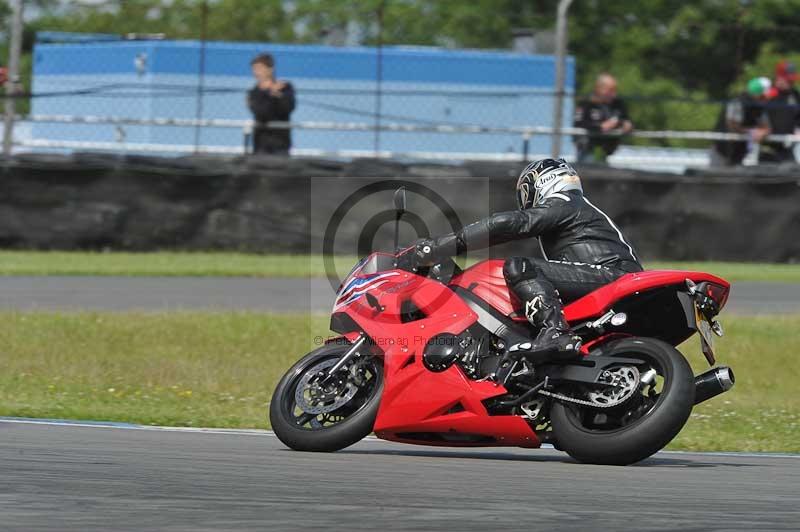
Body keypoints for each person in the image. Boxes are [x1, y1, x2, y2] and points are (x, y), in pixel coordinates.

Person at [414, 158, 643, 362]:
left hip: (613, 276)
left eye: (526, 189)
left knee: (522, 266)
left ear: (543, 181)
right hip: (611, 277)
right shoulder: (575, 207)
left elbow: (511, 224)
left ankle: (554, 332)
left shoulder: (566, 201)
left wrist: (439, 246)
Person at [709, 77, 771, 167]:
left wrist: (763, 132)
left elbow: (766, 127)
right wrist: (751, 132)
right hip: (722, 150)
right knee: (717, 177)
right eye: (763, 96)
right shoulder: (737, 102)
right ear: (757, 93)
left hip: (739, 153)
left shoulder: (759, 108)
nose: (765, 99)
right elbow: (732, 125)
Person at [573, 73, 634, 163]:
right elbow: (579, 124)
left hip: (609, 149)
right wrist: (600, 127)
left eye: (615, 90)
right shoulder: (586, 103)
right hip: (588, 149)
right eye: (610, 90)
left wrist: (626, 124)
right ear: (599, 89)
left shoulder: (617, 104)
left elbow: (626, 120)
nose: (614, 94)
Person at [247, 53, 296, 155]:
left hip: (281, 145)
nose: (256, 73)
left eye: (259, 69)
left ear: (270, 69)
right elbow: (261, 114)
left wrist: (278, 96)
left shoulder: (285, 87)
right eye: (254, 69)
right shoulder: (253, 93)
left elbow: (288, 107)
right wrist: (269, 94)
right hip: (261, 146)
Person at [760, 60, 800, 164]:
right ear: (778, 78)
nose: (791, 83)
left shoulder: (795, 95)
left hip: (789, 146)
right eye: (788, 81)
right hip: (768, 146)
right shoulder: (768, 95)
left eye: (792, 81)